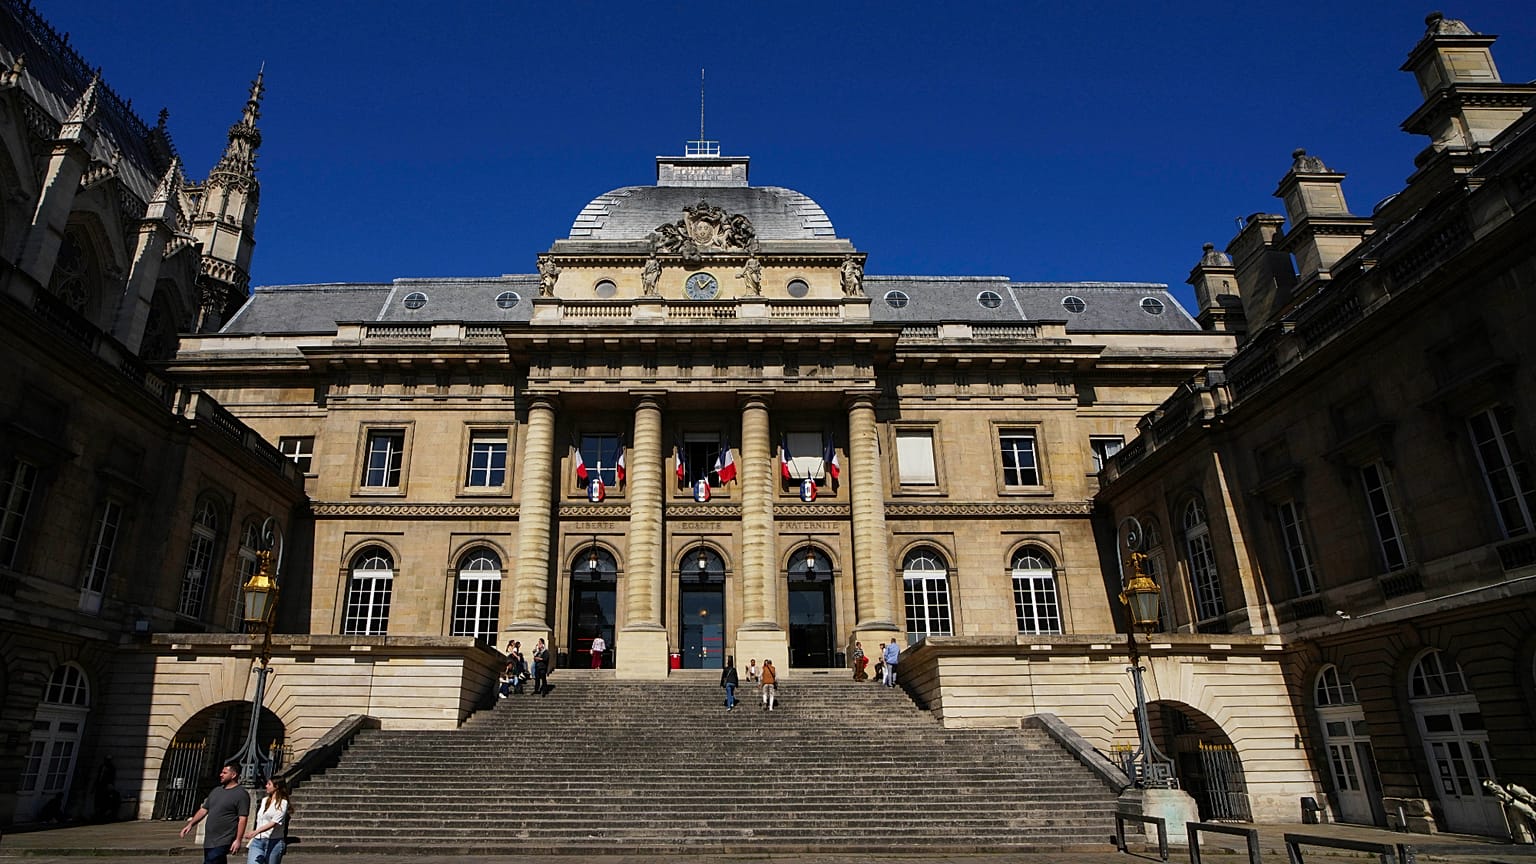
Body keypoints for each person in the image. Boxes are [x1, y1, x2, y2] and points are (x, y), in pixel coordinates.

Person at [180, 763, 249, 864]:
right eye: (221, 772)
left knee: (211, 861)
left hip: (224, 839)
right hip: (209, 840)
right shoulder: (216, 791)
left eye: (224, 773)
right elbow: (204, 810)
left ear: (233, 775)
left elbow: (243, 818)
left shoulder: (241, 794)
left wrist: (238, 840)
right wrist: (191, 824)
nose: (221, 775)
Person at [242, 776, 291, 864]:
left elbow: (274, 822)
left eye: (269, 784)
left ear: (276, 786)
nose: (266, 786)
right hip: (258, 841)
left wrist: (256, 831)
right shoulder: (264, 800)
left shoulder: (283, 803)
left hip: (273, 842)